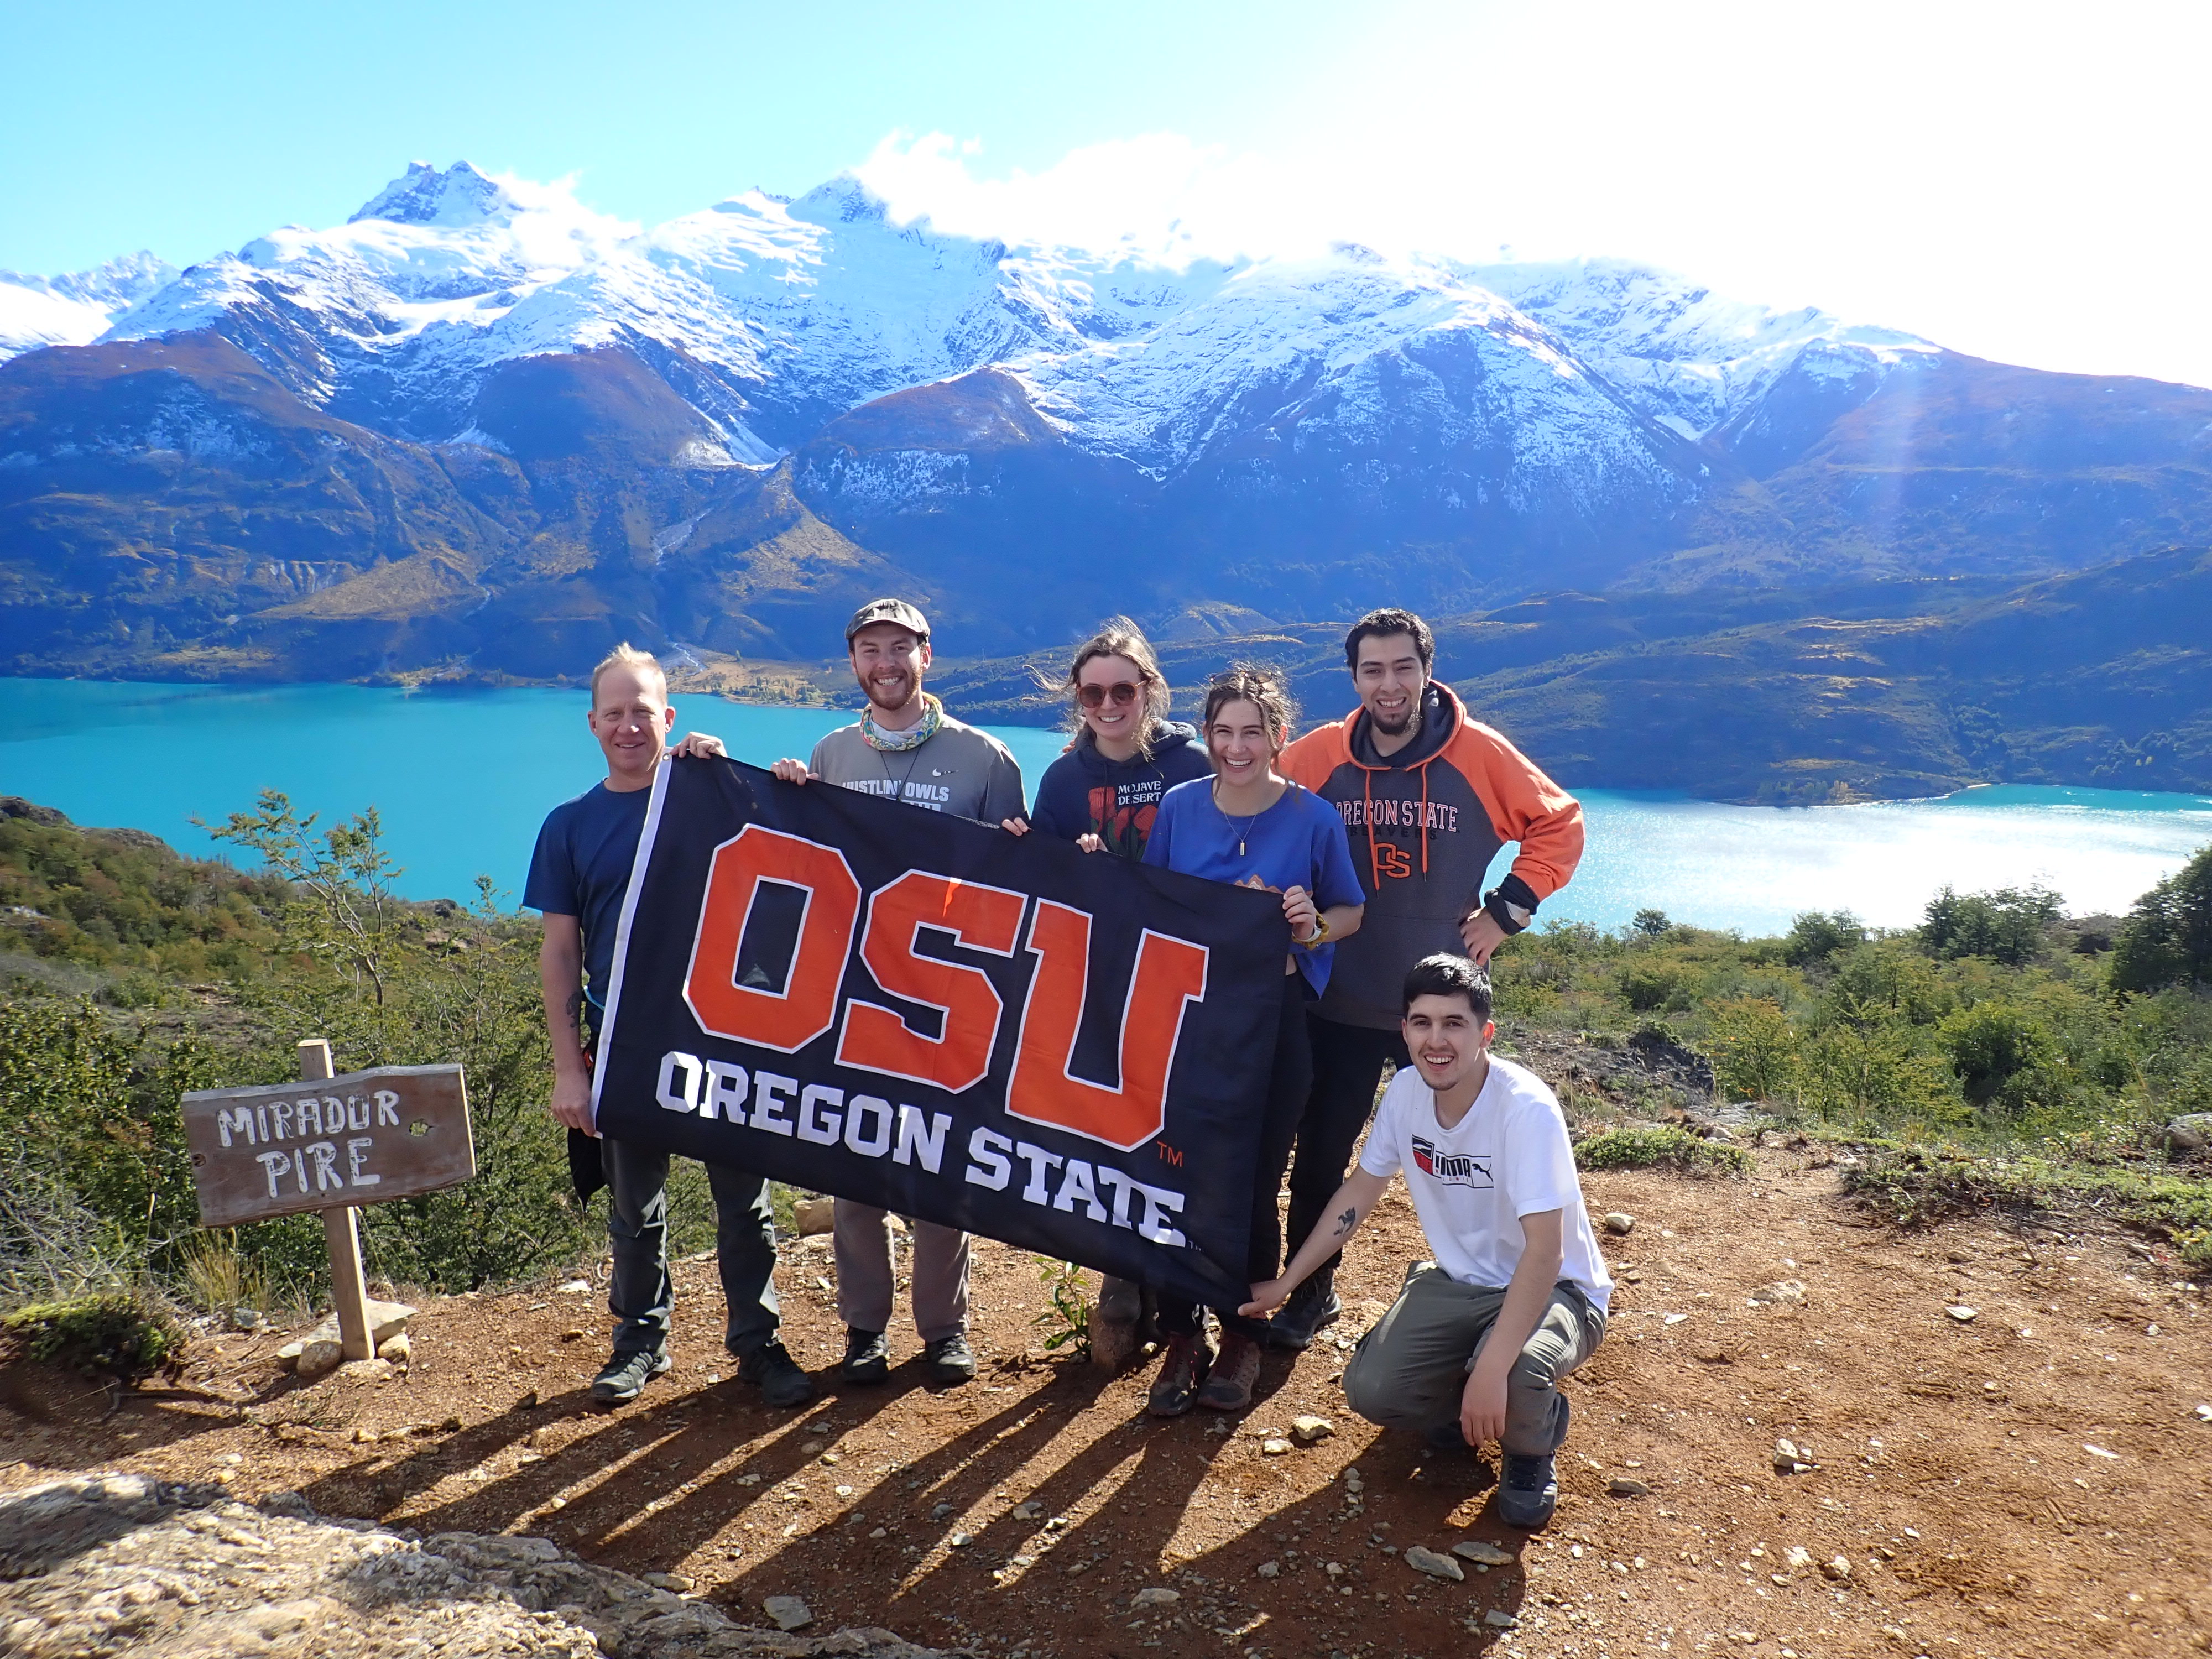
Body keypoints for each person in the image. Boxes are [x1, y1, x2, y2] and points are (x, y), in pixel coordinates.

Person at [1273, 609, 1584, 1349]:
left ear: (1427, 671)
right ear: (1354, 680)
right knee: (1321, 1155)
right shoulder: (1318, 755)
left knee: (1484, 1162)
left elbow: (1560, 823)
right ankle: (1310, 1293)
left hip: (1439, 1006)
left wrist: (1507, 911)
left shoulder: (1477, 754)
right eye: (1373, 670)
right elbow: (1255, 805)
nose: (1390, 684)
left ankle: (1512, 1296)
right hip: (1343, 995)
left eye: (1403, 667)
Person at [528, 643, 814, 1409]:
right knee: (634, 1213)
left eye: (642, 712)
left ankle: (757, 1344)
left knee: (745, 1209)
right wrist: (568, 1068)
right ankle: (640, 1345)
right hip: (622, 1044)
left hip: (722, 1042)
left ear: (671, 718)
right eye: (614, 713)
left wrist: (776, 780)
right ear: (592, 724)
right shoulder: (570, 826)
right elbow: (561, 951)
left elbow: (798, 853)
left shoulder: (708, 800)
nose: (629, 727)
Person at [1243, 954, 1610, 1529]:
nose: (1435, 1040)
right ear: (1404, 1030)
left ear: (1485, 1033)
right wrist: (1289, 1283)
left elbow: (1546, 1251)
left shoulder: (1525, 1108)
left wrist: (1491, 1370)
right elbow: (1358, 1194)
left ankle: (1530, 1449)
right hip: (1461, 1281)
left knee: (1515, 1372)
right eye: (1421, 1023)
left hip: (1557, 1290)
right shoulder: (1406, 1093)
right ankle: (1466, 1384)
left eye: (1454, 1024)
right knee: (1373, 1392)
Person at [770, 597, 1025, 1387]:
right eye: (871, 650)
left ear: (927, 655)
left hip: (949, 1001)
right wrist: (782, 792)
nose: (887, 664)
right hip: (852, 997)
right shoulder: (831, 753)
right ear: (853, 661)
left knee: (943, 1171)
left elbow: (1024, 896)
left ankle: (945, 1331)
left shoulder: (985, 760)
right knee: (857, 1173)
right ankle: (864, 1331)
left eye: (901, 649)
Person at [1139, 666, 1364, 1414]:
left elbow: (1349, 913)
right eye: (1224, 732)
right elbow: (1150, 905)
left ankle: (1242, 1335)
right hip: (1189, 1024)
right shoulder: (1177, 808)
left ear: (1279, 737)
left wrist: (1310, 922)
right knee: (1179, 1176)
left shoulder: (1311, 817)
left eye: (1253, 733)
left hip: (1276, 1020)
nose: (1238, 747)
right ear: (1208, 737)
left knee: (1255, 1180)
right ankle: (1181, 1335)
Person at [1004, 618, 1212, 1368]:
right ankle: (1121, 1272)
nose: (1109, 703)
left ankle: (1185, 1286)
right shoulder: (1064, 780)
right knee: (1114, 1122)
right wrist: (1058, 858)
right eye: (1093, 692)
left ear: (1149, 690)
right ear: (1079, 699)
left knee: (1183, 1132)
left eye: (1124, 688)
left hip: (1189, 977)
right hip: (1104, 979)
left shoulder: (1191, 759)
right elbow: (1049, 883)